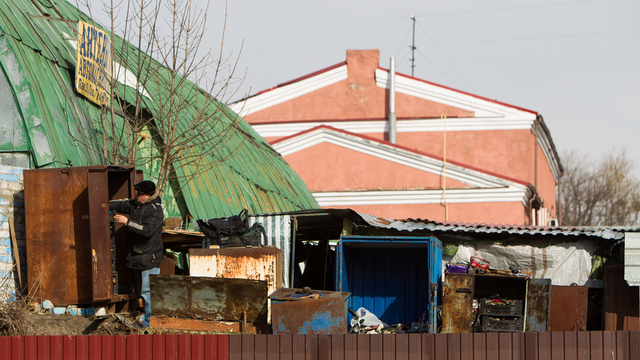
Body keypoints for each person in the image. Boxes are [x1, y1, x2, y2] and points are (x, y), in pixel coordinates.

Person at [109, 180, 163, 328]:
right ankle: (146, 318)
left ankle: (150, 323)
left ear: (148, 195)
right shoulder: (137, 204)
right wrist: (104, 205)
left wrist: (127, 222)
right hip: (140, 255)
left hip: (149, 256)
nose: (136, 196)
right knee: (143, 290)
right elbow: (121, 204)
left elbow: (147, 230)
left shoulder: (155, 210)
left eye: (139, 193)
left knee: (148, 291)